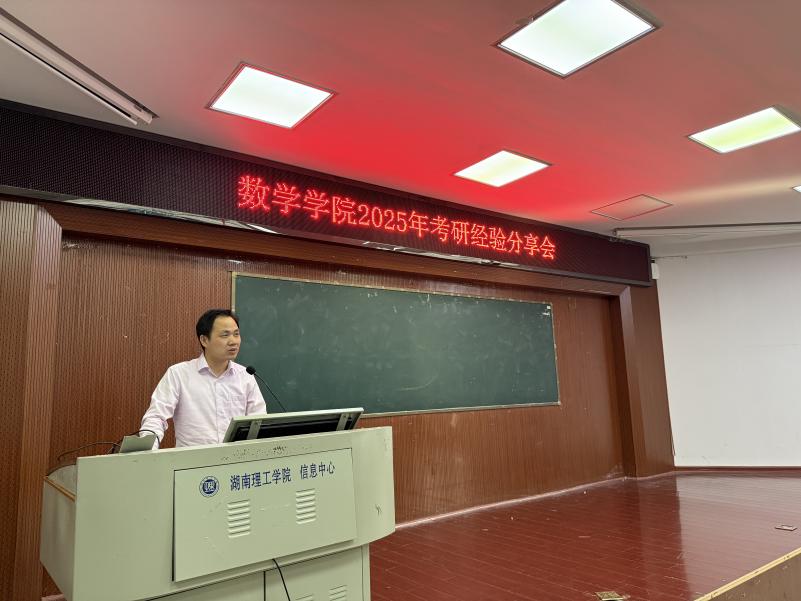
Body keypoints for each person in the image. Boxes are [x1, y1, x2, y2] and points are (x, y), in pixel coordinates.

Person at [140, 309, 266, 448]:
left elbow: (259, 422)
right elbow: (156, 417)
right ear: (204, 340)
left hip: (236, 459)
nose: (233, 341)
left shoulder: (245, 376)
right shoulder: (179, 374)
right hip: (193, 459)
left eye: (236, 334)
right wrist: (148, 450)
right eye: (225, 335)